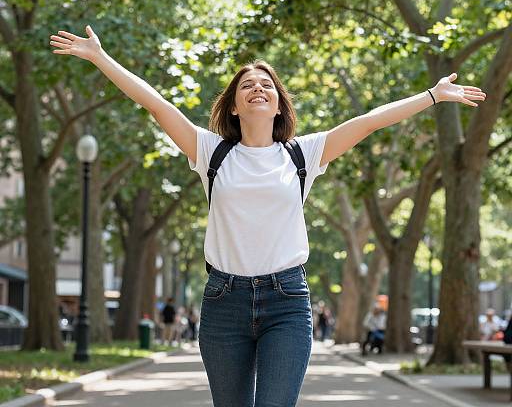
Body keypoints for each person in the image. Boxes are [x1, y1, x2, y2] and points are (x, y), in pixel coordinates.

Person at [50, 25, 486, 407]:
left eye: (267, 85)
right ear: (234, 106)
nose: (258, 88)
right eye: (246, 86)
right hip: (224, 302)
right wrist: (101, 58)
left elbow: (368, 121)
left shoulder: (303, 154)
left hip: (287, 302)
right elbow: (157, 105)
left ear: (279, 104)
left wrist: (432, 96)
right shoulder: (210, 152)